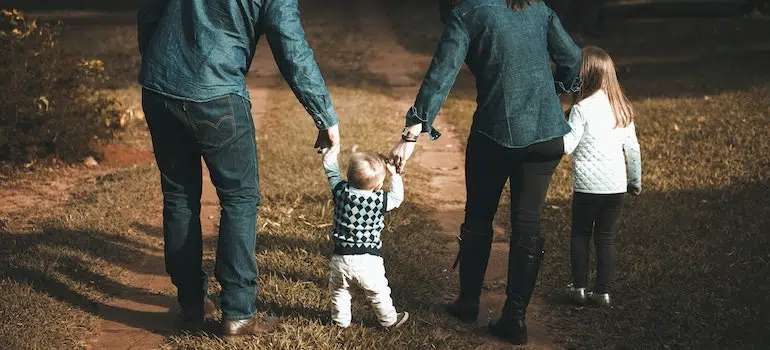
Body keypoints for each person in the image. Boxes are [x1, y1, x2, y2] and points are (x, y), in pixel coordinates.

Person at [137, 0, 340, 338]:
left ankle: (191, 305)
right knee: (240, 199)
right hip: (217, 94)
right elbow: (291, 46)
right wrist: (324, 115)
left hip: (160, 87)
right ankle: (239, 313)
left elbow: (149, 12)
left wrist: (157, 64)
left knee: (179, 195)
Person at [390, 0, 581, 345]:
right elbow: (572, 60)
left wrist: (411, 133)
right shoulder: (536, 6)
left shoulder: (467, 14)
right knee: (528, 223)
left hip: (497, 134)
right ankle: (515, 319)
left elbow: (440, 75)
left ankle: (468, 304)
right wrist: (552, 90)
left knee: (479, 216)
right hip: (547, 134)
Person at [563, 46, 641, 307]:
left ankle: (579, 289)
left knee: (580, 235)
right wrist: (635, 181)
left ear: (584, 75)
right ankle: (602, 293)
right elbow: (632, 148)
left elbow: (567, 146)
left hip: (587, 188)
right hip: (616, 188)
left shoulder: (581, 109)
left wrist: (556, 129)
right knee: (605, 237)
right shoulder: (622, 109)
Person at [321, 148, 410, 329]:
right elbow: (397, 198)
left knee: (339, 291)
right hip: (369, 260)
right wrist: (395, 175)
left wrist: (329, 152)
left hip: (341, 259)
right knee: (378, 292)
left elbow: (331, 171)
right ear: (377, 186)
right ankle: (389, 320)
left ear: (348, 176)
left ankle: (340, 322)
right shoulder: (379, 200)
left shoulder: (341, 192)